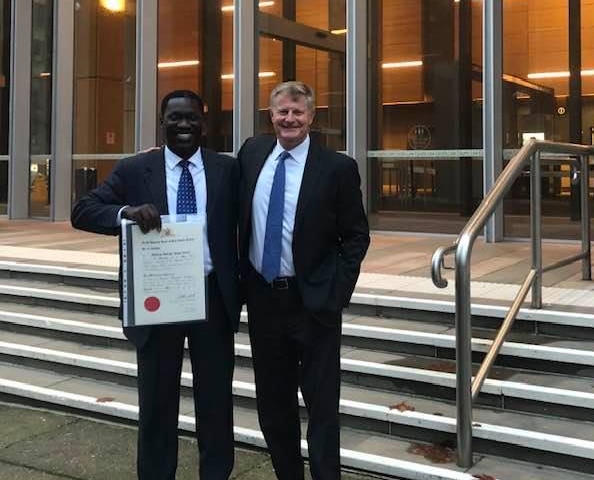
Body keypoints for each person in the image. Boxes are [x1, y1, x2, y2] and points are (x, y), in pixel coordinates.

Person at [71, 90, 240, 480]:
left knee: (215, 403)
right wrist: (124, 213)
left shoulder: (226, 170)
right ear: (161, 122)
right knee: (157, 403)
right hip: (158, 300)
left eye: (192, 118)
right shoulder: (135, 170)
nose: (184, 125)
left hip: (212, 298)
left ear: (205, 121)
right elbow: (82, 210)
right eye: (175, 118)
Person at [237, 81, 370, 480]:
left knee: (322, 405)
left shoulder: (337, 168)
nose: (289, 119)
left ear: (312, 117)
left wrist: (336, 292)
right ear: (271, 115)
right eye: (282, 111)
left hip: (313, 303)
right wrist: (160, 155)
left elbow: (356, 235)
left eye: (297, 112)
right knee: (273, 405)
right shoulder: (252, 153)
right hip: (263, 300)